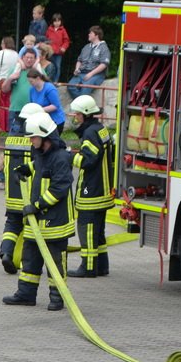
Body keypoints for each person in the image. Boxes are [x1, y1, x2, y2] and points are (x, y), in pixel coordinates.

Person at [2, 112, 74, 311]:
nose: (31, 141)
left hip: (54, 222)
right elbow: (40, 166)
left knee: (55, 262)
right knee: (30, 258)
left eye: (33, 137)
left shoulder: (61, 158)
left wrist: (37, 205)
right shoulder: (42, 154)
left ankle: (57, 298)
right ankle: (25, 294)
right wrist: (26, 168)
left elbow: (60, 188)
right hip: (36, 221)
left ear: (45, 136)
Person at [67, 95, 115, 278]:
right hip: (103, 189)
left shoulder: (90, 133)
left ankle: (87, 267)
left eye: (77, 113)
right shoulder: (100, 128)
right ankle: (102, 266)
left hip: (92, 190)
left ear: (85, 114)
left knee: (86, 228)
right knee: (98, 231)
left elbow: (88, 161)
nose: (75, 116)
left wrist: (70, 156)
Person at [0, 102, 45, 274]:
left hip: (12, 193)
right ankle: (26, 262)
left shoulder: (10, 139)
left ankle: (6, 252)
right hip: (28, 193)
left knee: (11, 225)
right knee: (29, 228)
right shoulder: (33, 140)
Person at [67, 25, 110, 99]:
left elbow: (104, 64)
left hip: (96, 74)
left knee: (85, 89)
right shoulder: (86, 47)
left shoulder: (104, 48)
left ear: (96, 35)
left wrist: (91, 74)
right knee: (70, 86)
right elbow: (79, 60)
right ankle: (81, 103)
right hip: (81, 72)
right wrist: (77, 69)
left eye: (91, 33)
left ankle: (81, 105)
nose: (88, 34)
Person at [28, 69, 65, 134]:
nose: (30, 83)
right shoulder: (32, 90)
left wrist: (38, 110)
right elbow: (32, 105)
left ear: (38, 78)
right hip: (42, 121)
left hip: (55, 121)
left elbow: (55, 106)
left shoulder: (50, 88)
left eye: (31, 81)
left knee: (52, 143)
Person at [46, 14, 70, 80]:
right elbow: (46, 39)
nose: (57, 23)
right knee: (50, 66)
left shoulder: (63, 30)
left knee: (57, 66)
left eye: (58, 21)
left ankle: (55, 81)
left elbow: (66, 41)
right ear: (52, 22)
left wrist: (64, 47)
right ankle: (49, 80)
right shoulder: (49, 29)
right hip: (50, 52)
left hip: (58, 53)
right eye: (55, 21)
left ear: (61, 21)